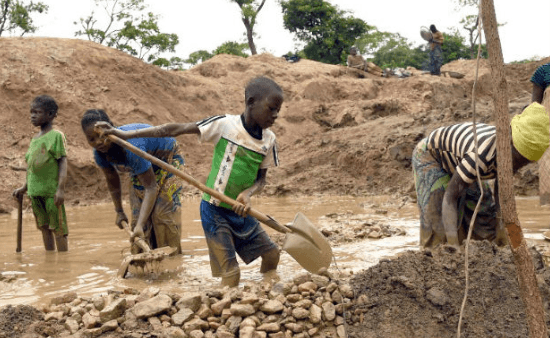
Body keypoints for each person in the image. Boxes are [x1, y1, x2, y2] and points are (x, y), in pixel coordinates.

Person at [98, 76, 283, 288]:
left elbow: (261, 180)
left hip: (241, 211)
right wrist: (125, 133)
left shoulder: (269, 141)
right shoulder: (225, 125)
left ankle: (267, 289)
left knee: (272, 255)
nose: (276, 115)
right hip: (215, 211)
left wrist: (248, 193)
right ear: (251, 102)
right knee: (232, 275)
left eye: (278, 110)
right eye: (271, 109)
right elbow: (174, 129)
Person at [412, 102, 549, 248]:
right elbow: (450, 197)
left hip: (464, 161)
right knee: (437, 227)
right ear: (509, 144)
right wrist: (453, 248)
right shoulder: (479, 156)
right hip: (433, 156)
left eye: (525, 162)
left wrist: (509, 239)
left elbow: (502, 194)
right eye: (518, 160)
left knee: (485, 220)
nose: (517, 166)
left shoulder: (511, 157)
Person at [80, 109, 184, 254]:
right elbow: (112, 181)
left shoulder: (131, 147)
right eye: (91, 139)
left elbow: (151, 188)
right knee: (138, 221)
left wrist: (141, 225)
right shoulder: (99, 154)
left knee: (162, 216)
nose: (98, 142)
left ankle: (172, 261)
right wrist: (119, 212)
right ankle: (144, 259)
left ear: (111, 129)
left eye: (101, 136)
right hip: (142, 168)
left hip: (168, 159)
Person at [13, 95, 68, 251]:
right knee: (44, 227)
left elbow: (63, 162)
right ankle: (50, 258)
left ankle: (63, 264)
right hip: (35, 192)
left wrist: (60, 189)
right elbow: (31, 167)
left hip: (51, 193)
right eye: (31, 112)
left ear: (50, 115)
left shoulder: (56, 136)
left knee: (58, 229)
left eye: (37, 112)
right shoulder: (34, 139)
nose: (32, 115)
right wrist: (24, 187)